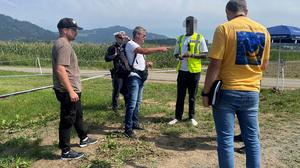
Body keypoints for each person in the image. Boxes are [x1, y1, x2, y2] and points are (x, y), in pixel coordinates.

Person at [202, 0, 270, 167]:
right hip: (252, 91)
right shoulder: (263, 31)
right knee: (252, 140)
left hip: (227, 90)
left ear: (227, 11)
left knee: (225, 140)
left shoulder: (224, 28)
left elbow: (215, 64)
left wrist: (206, 92)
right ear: (246, 10)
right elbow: (264, 65)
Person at [52, 18, 97, 160]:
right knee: (67, 119)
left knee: (77, 114)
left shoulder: (64, 43)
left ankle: (83, 138)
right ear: (65, 30)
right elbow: (60, 70)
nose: (76, 32)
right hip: (67, 91)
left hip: (72, 89)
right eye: (74, 30)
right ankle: (65, 151)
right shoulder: (64, 45)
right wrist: (71, 91)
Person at [124, 26, 169, 138]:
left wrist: (146, 63)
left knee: (137, 103)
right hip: (133, 77)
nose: (145, 37)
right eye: (144, 35)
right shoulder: (131, 44)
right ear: (137, 35)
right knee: (132, 104)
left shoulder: (137, 46)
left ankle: (135, 123)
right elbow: (143, 51)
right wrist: (159, 49)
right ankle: (128, 128)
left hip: (140, 77)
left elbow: (138, 59)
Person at [168, 16, 208, 126]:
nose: (189, 26)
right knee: (180, 95)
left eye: (191, 24)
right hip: (182, 70)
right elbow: (176, 53)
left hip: (194, 71)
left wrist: (193, 55)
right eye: (188, 24)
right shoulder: (180, 38)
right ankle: (177, 117)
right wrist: (179, 57)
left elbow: (204, 55)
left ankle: (191, 117)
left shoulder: (200, 37)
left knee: (192, 95)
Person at [105, 31, 130, 112]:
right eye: (119, 37)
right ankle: (115, 107)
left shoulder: (127, 46)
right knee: (117, 91)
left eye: (122, 37)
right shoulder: (113, 48)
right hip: (118, 73)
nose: (121, 39)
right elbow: (107, 58)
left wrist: (129, 40)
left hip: (126, 72)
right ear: (116, 38)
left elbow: (136, 47)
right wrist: (115, 55)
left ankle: (127, 106)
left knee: (126, 90)